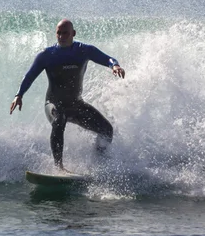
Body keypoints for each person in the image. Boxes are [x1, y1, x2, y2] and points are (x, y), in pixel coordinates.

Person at [10, 19, 125, 171]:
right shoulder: (47, 55)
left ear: (73, 34)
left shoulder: (84, 50)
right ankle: (59, 168)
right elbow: (29, 76)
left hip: (76, 105)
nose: (62, 36)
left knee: (106, 130)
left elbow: (107, 58)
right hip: (53, 104)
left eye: (65, 33)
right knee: (59, 120)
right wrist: (19, 95)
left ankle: (99, 162)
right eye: (59, 33)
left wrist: (114, 65)